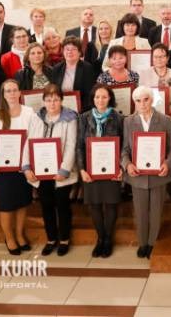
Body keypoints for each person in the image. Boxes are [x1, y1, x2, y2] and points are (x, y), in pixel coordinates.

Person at [22, 84, 78, 256]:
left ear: (61, 100)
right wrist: (26, 167)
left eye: (55, 99)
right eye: (48, 100)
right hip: (40, 171)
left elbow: (71, 145)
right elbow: (28, 142)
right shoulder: (36, 118)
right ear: (44, 101)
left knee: (62, 205)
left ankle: (64, 239)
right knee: (46, 206)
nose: (52, 103)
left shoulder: (70, 118)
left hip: (61, 172)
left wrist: (64, 170)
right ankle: (51, 239)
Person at [123, 86, 171, 258]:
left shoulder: (165, 120)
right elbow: (124, 150)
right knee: (140, 211)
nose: (142, 104)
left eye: (146, 99)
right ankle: (142, 243)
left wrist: (167, 164)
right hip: (137, 175)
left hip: (158, 175)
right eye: (138, 101)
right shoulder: (128, 121)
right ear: (134, 102)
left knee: (156, 211)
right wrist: (127, 165)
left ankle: (152, 243)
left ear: (152, 99)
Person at [0, 79, 34, 255]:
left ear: (20, 93)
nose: (11, 93)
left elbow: (33, 137)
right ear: (3, 94)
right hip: (1, 168)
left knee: (23, 201)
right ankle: (9, 238)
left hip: (23, 165)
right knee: (6, 204)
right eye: (8, 91)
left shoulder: (29, 112)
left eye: (14, 90)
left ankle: (19, 234)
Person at [76, 84, 124, 258]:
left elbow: (124, 145)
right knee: (95, 205)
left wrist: (121, 167)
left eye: (104, 97)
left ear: (110, 98)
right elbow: (79, 146)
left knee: (111, 204)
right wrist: (82, 169)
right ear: (93, 98)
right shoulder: (84, 117)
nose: (100, 100)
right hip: (91, 170)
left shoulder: (118, 118)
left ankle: (108, 240)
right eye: (97, 97)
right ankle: (100, 238)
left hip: (112, 170)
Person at [50, 36, 97, 113]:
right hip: (60, 109)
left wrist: (79, 110)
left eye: (73, 49)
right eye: (67, 49)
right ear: (63, 51)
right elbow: (54, 91)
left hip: (82, 110)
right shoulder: (57, 68)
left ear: (79, 52)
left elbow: (90, 94)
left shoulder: (87, 68)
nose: (70, 52)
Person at [138, 43, 171, 119]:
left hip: (170, 113)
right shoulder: (144, 74)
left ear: (167, 58)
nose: (159, 60)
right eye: (155, 57)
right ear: (152, 58)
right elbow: (140, 97)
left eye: (162, 57)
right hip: (149, 113)